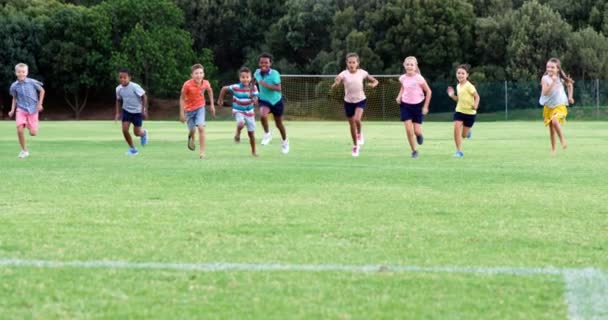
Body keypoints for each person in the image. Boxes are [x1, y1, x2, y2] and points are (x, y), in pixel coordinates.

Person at [331, 53, 379, 157]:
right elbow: (338, 78)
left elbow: (375, 81)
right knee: (351, 125)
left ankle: (359, 134)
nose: (352, 64)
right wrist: (336, 83)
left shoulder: (362, 73)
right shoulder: (344, 73)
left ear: (357, 63)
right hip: (348, 102)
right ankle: (355, 146)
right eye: (350, 62)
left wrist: (373, 84)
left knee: (357, 119)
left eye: (354, 62)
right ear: (347, 63)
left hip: (361, 100)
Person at [217, 67, 259, 157]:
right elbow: (224, 88)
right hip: (238, 110)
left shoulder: (254, 87)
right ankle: (238, 133)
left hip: (250, 112)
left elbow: (256, 99)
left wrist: (253, 98)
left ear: (250, 78)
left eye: (247, 77)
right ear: (240, 78)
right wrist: (220, 99)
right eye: (243, 77)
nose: (245, 79)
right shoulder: (235, 87)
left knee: (251, 134)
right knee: (240, 123)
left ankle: (254, 151)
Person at [395, 56, 432, 158]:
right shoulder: (402, 78)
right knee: (408, 129)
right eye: (407, 64)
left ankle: (419, 135)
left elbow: (428, 91)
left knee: (416, 131)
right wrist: (399, 96)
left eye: (412, 65)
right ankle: (414, 151)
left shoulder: (419, 78)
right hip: (405, 105)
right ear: (404, 65)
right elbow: (403, 87)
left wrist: (425, 107)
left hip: (418, 106)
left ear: (415, 67)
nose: (409, 66)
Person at [254, 53, 289, 154]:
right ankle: (267, 134)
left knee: (279, 124)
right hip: (264, 100)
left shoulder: (275, 74)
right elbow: (253, 82)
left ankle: (285, 142)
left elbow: (278, 88)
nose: (264, 64)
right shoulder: (257, 73)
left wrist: (265, 84)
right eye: (261, 62)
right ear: (259, 63)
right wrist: (255, 94)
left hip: (276, 101)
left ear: (270, 63)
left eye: (266, 62)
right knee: (263, 115)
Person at [8, 63, 45, 159]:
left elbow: (42, 91)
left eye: (23, 72)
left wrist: (40, 104)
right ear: (16, 73)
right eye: (19, 72)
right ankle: (24, 151)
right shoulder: (14, 86)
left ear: (27, 72)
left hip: (33, 110)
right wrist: (12, 110)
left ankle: (29, 124)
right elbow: (14, 98)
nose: (21, 74)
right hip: (21, 109)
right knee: (19, 130)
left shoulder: (32, 82)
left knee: (33, 133)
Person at [539, 57, 574, 155]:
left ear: (557, 69)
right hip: (548, 107)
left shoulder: (561, 78)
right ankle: (553, 149)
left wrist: (570, 97)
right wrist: (553, 82)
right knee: (551, 129)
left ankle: (562, 140)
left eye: (552, 67)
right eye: (548, 67)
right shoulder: (545, 79)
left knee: (555, 121)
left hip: (559, 105)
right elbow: (545, 92)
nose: (549, 69)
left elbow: (570, 85)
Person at [180, 64, 215, 159]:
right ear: (192, 75)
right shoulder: (187, 85)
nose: (198, 75)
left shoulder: (206, 83)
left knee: (201, 128)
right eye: (196, 73)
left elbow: (210, 91)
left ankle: (202, 152)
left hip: (200, 107)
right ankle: (191, 136)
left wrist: (212, 105)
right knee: (192, 130)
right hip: (188, 110)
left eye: (200, 73)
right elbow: (182, 98)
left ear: (203, 74)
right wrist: (182, 113)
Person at [447, 64, 480, 158]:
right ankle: (459, 151)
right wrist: (452, 95)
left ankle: (468, 131)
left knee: (464, 135)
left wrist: (476, 105)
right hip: (459, 111)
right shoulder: (458, 86)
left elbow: (477, 96)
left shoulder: (469, 86)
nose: (460, 75)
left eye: (462, 73)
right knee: (456, 128)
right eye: (458, 73)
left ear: (467, 75)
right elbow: (459, 99)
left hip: (470, 113)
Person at [115, 69, 148, 156]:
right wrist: (118, 113)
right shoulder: (118, 89)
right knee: (124, 130)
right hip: (126, 111)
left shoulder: (135, 87)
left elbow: (144, 96)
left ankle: (143, 133)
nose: (122, 79)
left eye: (124, 77)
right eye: (120, 77)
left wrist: (143, 109)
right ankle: (133, 149)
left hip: (137, 112)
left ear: (129, 78)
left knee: (137, 133)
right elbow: (118, 100)